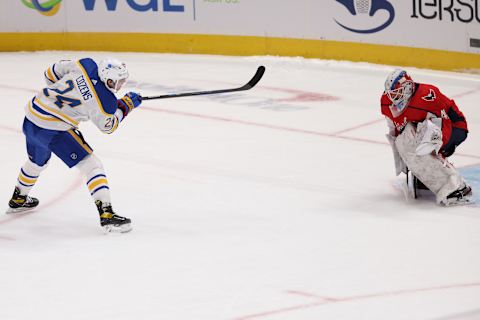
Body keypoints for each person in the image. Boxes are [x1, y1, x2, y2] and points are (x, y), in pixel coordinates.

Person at [6, 57, 142, 232]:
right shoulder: (105, 101)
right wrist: (125, 106)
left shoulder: (85, 65)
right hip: (53, 128)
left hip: (32, 116)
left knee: (37, 162)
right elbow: (108, 126)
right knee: (92, 165)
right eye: (119, 81)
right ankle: (107, 214)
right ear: (108, 79)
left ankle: (18, 198)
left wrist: (68, 93)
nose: (121, 84)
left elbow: (50, 73)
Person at [381, 69, 473, 206]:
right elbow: (395, 130)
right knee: (406, 142)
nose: (393, 98)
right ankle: (429, 177)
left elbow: (443, 126)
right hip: (427, 129)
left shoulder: (427, 96)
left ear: (407, 88)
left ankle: (457, 188)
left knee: (421, 146)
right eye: (391, 94)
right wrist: (406, 159)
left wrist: (431, 154)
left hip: (454, 127)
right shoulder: (387, 102)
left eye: (397, 93)